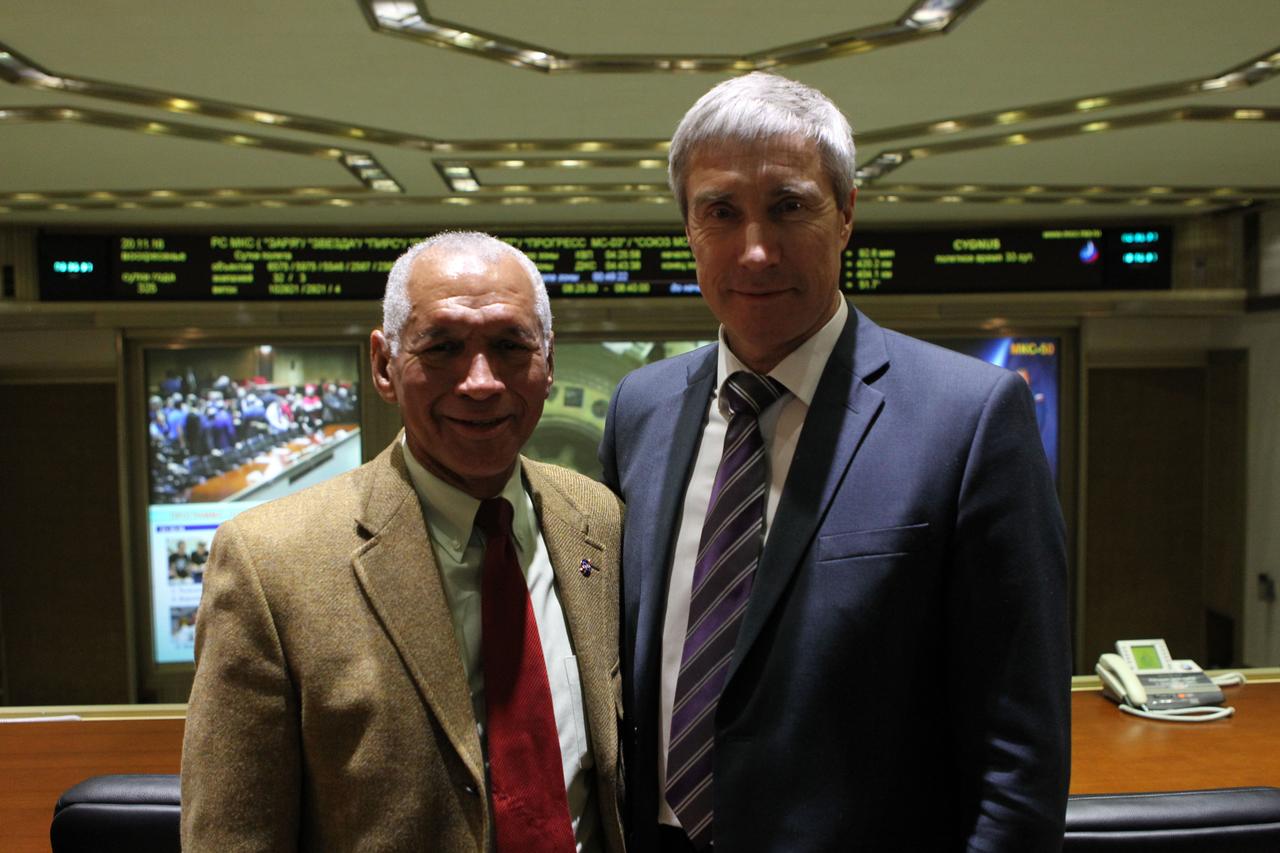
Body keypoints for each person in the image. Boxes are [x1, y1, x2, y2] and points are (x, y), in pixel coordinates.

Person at [600, 73, 1071, 851]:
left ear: (846, 213)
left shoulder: (971, 417)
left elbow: (1018, 749)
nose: (755, 250)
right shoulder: (639, 408)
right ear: (689, 226)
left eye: (789, 206)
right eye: (721, 212)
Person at [183, 232, 626, 852]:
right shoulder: (269, 562)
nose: (480, 381)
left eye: (509, 346)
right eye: (442, 347)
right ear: (384, 365)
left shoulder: (600, 523)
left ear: (548, 361)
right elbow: (234, 836)